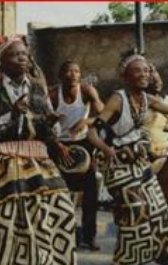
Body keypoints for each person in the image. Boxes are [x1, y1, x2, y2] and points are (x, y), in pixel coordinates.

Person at [0, 36, 83, 265]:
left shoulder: (38, 87)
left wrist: (50, 121)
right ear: (2, 61)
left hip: (37, 157)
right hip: (4, 159)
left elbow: (48, 127)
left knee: (60, 207)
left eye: (24, 54)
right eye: (14, 55)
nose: (22, 58)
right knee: (7, 217)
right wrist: (14, 115)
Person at [87, 50, 168, 265]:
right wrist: (106, 149)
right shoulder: (117, 99)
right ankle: (120, 263)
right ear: (126, 76)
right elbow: (93, 131)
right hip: (117, 164)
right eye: (138, 71)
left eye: (146, 71)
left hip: (138, 161)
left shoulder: (148, 99)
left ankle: (163, 254)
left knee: (157, 206)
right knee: (133, 207)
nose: (144, 75)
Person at [49, 60, 104, 250]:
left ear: (80, 75)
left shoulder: (87, 91)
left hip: (82, 144)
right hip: (58, 144)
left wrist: (86, 121)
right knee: (58, 191)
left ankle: (90, 236)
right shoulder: (53, 94)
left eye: (76, 71)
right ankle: (61, 234)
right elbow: (42, 125)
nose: (72, 74)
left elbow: (104, 115)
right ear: (60, 76)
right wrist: (56, 143)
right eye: (68, 71)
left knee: (91, 191)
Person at [143, 63, 168, 173]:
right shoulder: (138, 105)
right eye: (152, 81)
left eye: (155, 73)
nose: (156, 81)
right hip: (146, 158)